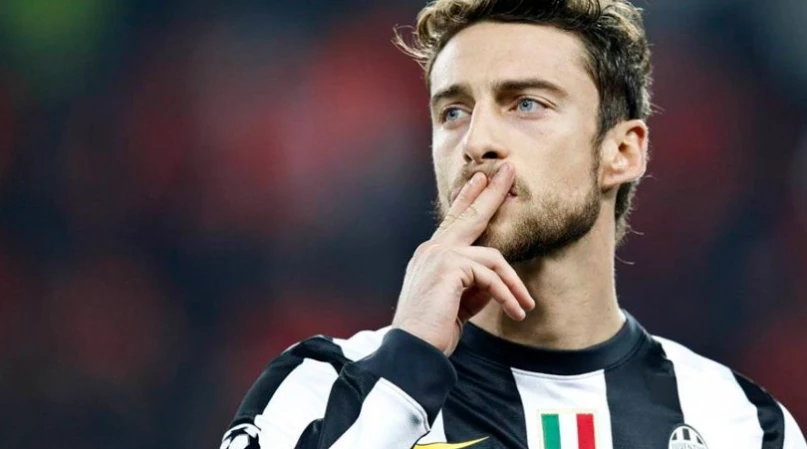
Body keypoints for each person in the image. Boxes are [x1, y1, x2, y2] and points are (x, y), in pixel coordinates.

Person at [220, 1, 807, 448]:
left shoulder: (742, 425)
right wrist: (404, 370)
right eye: (453, 111)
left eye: (526, 103)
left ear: (622, 152)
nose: (476, 141)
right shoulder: (317, 389)